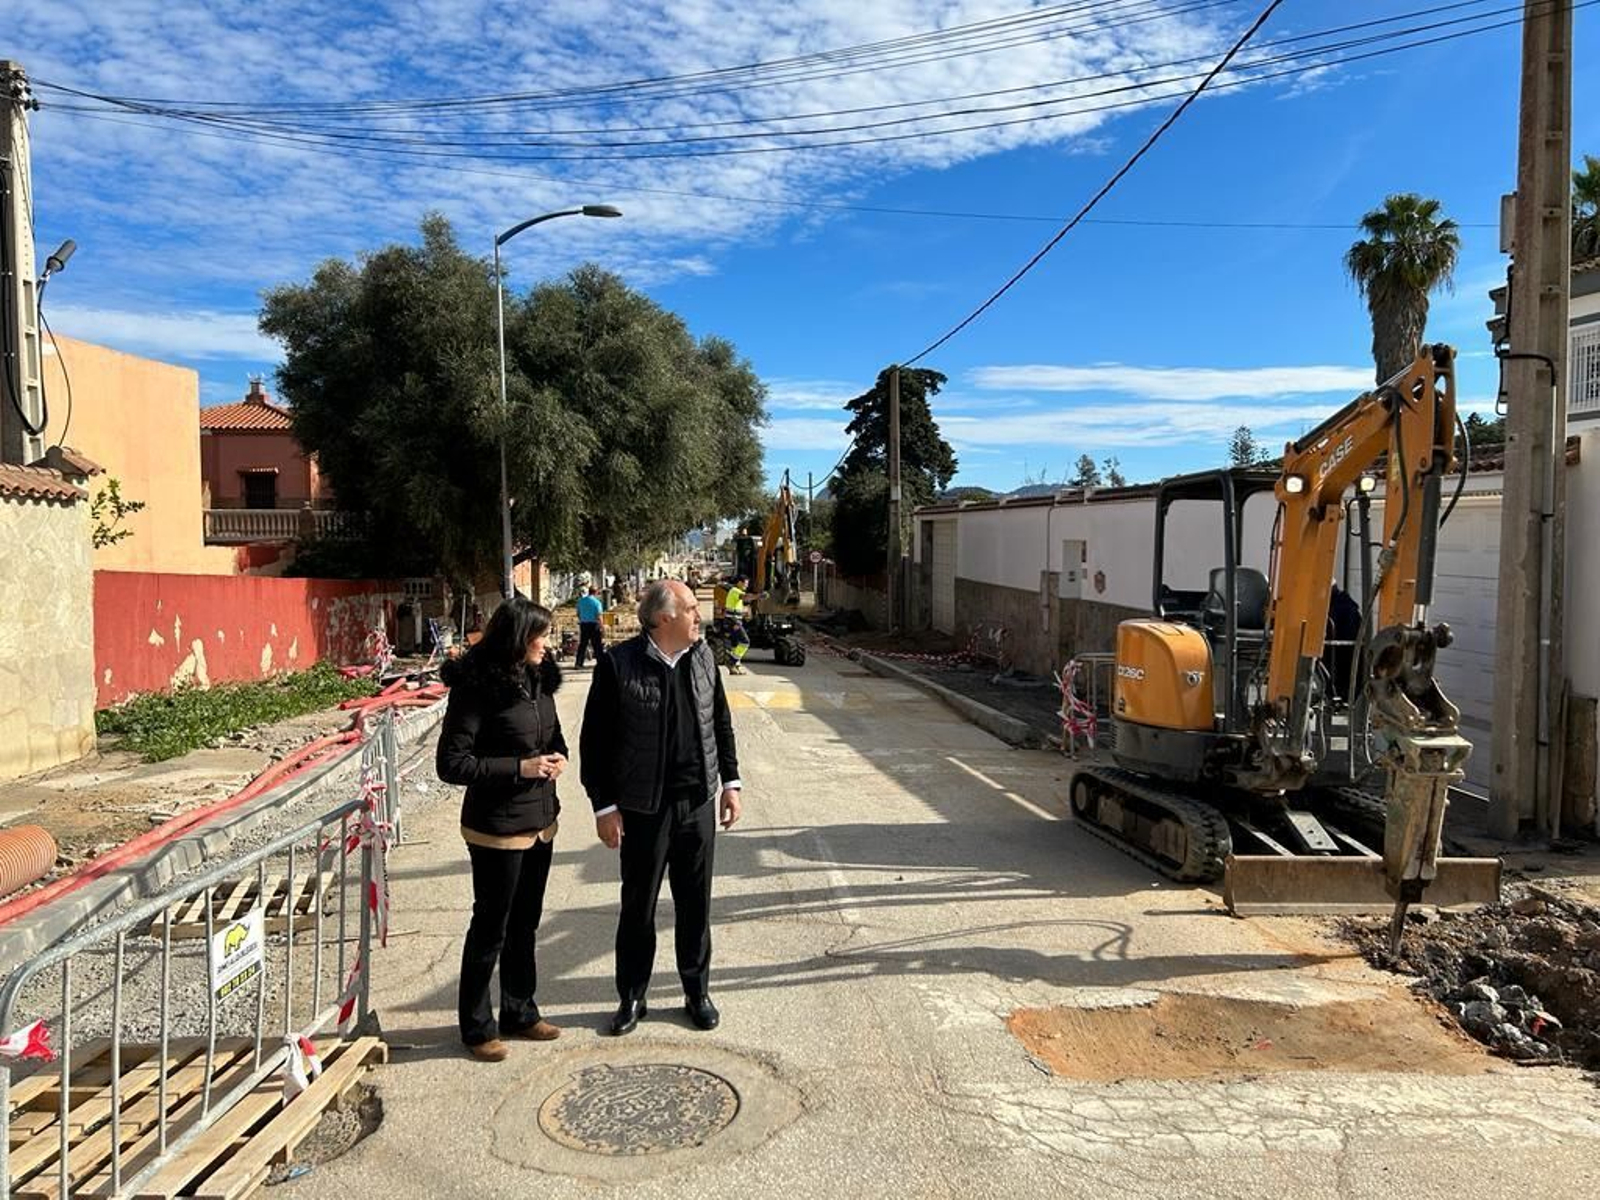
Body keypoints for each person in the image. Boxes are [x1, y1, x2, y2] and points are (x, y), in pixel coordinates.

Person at [580, 580, 742, 1037]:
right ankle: (632, 995)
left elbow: (721, 723)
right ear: (665, 617)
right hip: (643, 809)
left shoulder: (704, 657)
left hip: (697, 803)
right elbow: (595, 742)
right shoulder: (618, 665)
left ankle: (697, 992)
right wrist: (604, 806)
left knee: (696, 906)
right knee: (638, 907)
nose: (699, 616)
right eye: (691, 608)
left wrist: (731, 782)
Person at [436, 597, 568, 1062]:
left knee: (525, 924)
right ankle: (476, 1027)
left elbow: (553, 737)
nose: (547, 645)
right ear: (517, 637)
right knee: (491, 926)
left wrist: (556, 759)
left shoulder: (538, 678)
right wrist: (521, 767)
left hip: (540, 822)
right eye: (541, 635)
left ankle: (520, 1011)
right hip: (496, 829)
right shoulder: (476, 688)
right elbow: (452, 764)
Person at [721, 574, 753, 674]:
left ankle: (735, 668)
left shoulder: (735, 591)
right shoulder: (735, 591)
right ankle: (731, 661)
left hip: (734, 621)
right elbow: (745, 597)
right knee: (745, 642)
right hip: (733, 621)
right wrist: (759, 596)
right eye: (745, 584)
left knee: (736, 645)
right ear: (739, 583)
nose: (746, 586)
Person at [575, 586, 606, 669]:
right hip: (594, 625)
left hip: (584, 625)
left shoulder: (581, 601)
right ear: (596, 592)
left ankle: (578, 663)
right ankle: (601, 664)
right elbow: (599, 616)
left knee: (582, 645)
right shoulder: (597, 602)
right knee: (597, 645)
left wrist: (582, 619)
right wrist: (602, 627)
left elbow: (578, 613)